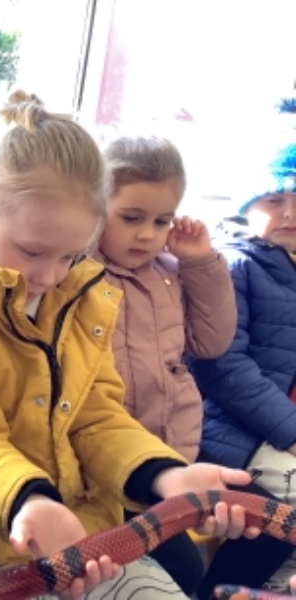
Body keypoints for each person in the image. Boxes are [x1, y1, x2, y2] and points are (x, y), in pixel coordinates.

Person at [0, 91, 258, 600]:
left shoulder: (82, 296)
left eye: (69, 256)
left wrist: (166, 475)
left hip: (84, 534)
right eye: (33, 252)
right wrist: (29, 501)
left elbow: (96, 417)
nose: (50, 276)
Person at [93, 135, 237, 595]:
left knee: (201, 563)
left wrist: (201, 264)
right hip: (107, 468)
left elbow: (210, 343)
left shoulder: (170, 273)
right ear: (95, 206)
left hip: (174, 452)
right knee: (180, 571)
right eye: (131, 218)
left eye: (162, 221)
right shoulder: (75, 272)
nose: (147, 235)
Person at [189, 94, 296, 595]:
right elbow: (223, 367)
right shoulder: (236, 266)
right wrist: (291, 430)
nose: (289, 212)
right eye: (273, 199)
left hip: (279, 431)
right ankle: (227, 589)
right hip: (237, 431)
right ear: (247, 204)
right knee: (276, 516)